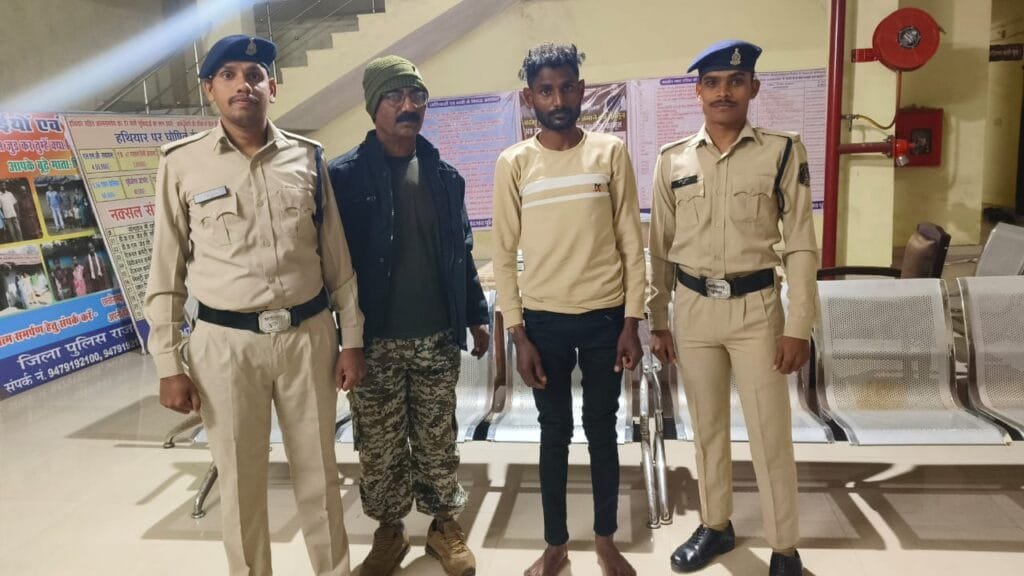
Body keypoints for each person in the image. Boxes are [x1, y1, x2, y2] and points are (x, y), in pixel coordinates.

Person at [143, 35, 366, 576]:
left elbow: (336, 258)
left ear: (272, 86)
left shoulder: (307, 157)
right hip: (225, 346)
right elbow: (166, 273)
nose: (243, 84)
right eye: (229, 75)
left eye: (255, 74)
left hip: (307, 337)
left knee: (320, 473)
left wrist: (353, 340)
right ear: (210, 89)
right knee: (240, 482)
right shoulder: (182, 164)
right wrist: (169, 364)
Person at [647, 40, 817, 576]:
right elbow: (659, 248)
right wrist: (657, 319)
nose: (724, 92)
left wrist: (799, 325)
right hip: (694, 310)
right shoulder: (672, 159)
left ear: (753, 88)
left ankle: (784, 548)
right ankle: (716, 525)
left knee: (770, 433)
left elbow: (801, 243)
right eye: (713, 82)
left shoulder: (782, 151)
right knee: (707, 427)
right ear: (698, 91)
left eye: (736, 82)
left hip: (756, 310)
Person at [327, 55, 489, 576]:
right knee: (379, 446)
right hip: (372, 341)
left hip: (435, 337)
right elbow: (330, 264)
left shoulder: (445, 175)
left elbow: (461, 251)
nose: (408, 105)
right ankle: (389, 532)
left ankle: (444, 526)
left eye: (416, 95)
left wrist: (476, 314)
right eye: (395, 96)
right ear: (373, 106)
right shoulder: (342, 178)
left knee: (439, 438)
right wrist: (343, 339)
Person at [492, 43, 645, 576]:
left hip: (606, 320)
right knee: (553, 432)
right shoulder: (514, 163)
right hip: (543, 325)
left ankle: (605, 540)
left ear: (581, 89)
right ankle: (555, 545)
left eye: (566, 88)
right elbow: (503, 257)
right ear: (529, 97)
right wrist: (519, 335)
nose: (557, 100)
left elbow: (631, 243)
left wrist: (631, 322)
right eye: (545, 90)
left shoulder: (610, 153)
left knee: (603, 429)